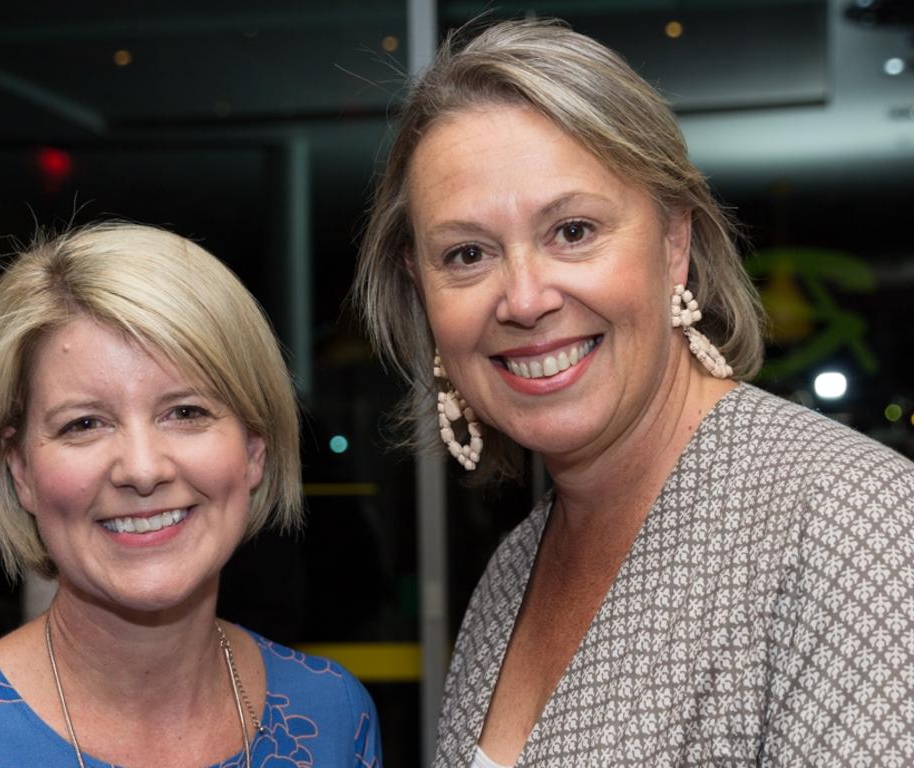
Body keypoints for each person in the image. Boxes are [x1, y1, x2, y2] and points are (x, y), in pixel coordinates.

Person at [354, 18, 914, 768]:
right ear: (422, 292)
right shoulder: (514, 568)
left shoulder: (853, 522)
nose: (523, 298)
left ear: (674, 243)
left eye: (573, 231)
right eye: (467, 253)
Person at [0, 222, 382, 767]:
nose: (142, 470)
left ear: (254, 450)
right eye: (84, 424)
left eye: (186, 412)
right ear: (22, 470)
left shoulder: (333, 717)